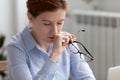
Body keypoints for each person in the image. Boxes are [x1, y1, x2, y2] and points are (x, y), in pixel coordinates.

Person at [7, 0, 96, 80]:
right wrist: (55, 54)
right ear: (30, 18)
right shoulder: (16, 48)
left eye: (60, 23)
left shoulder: (67, 42)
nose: (55, 31)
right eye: (46, 24)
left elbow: (86, 77)